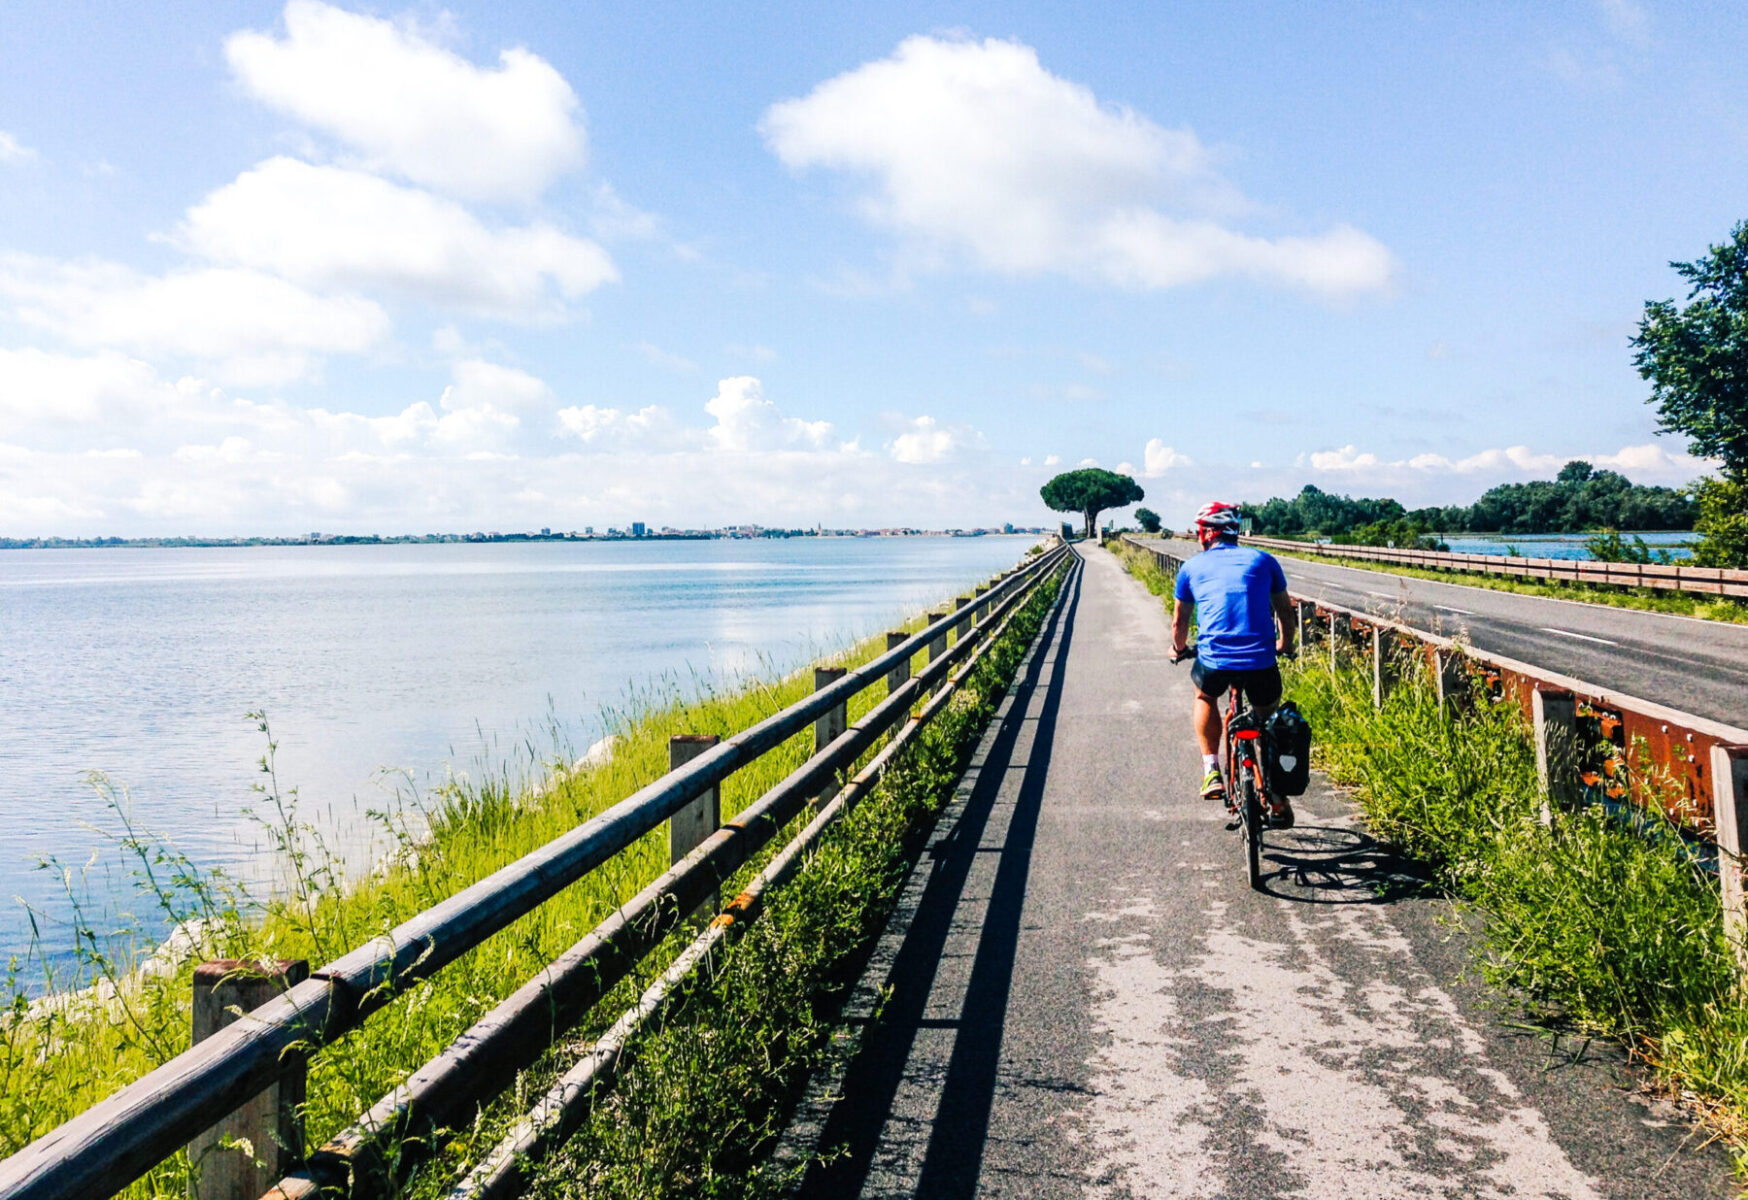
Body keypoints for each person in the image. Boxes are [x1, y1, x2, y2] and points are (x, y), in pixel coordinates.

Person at [1170, 501, 1298, 825]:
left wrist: (1178, 649)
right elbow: (1285, 612)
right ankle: (1278, 795)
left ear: (1205, 534)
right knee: (1268, 718)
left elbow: (1179, 623)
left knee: (1204, 696)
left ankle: (1211, 769)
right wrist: (1285, 645)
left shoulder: (1191, 568)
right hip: (1261, 662)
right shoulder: (1264, 560)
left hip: (1215, 661)